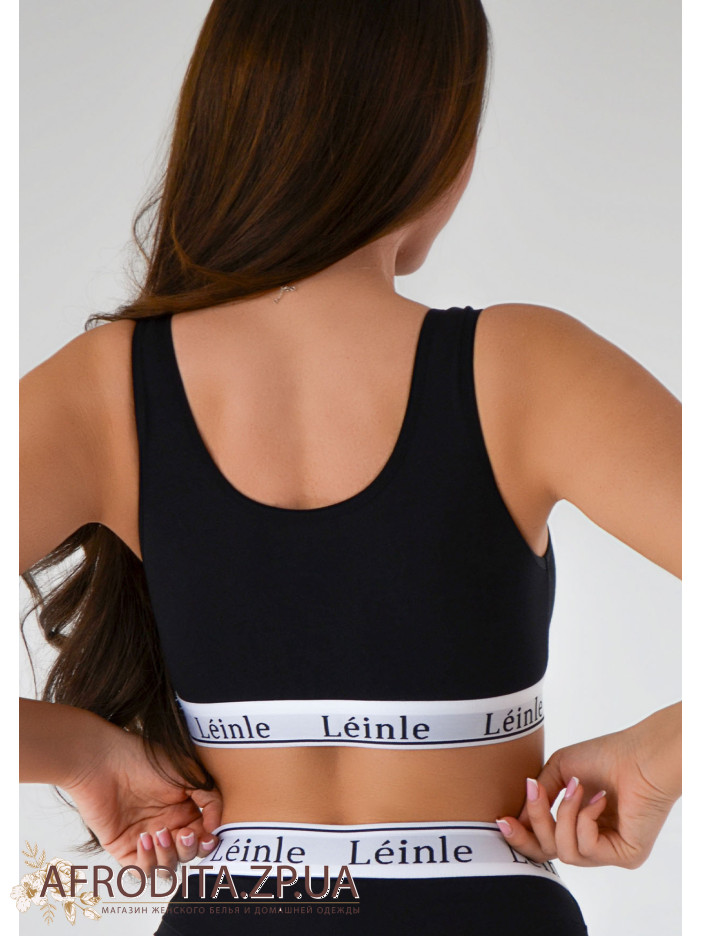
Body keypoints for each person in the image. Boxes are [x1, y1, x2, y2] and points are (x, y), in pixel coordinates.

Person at [19, 2, 681, 933]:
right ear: (436, 137)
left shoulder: (100, 389)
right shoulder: (525, 368)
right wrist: (659, 759)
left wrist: (75, 750)